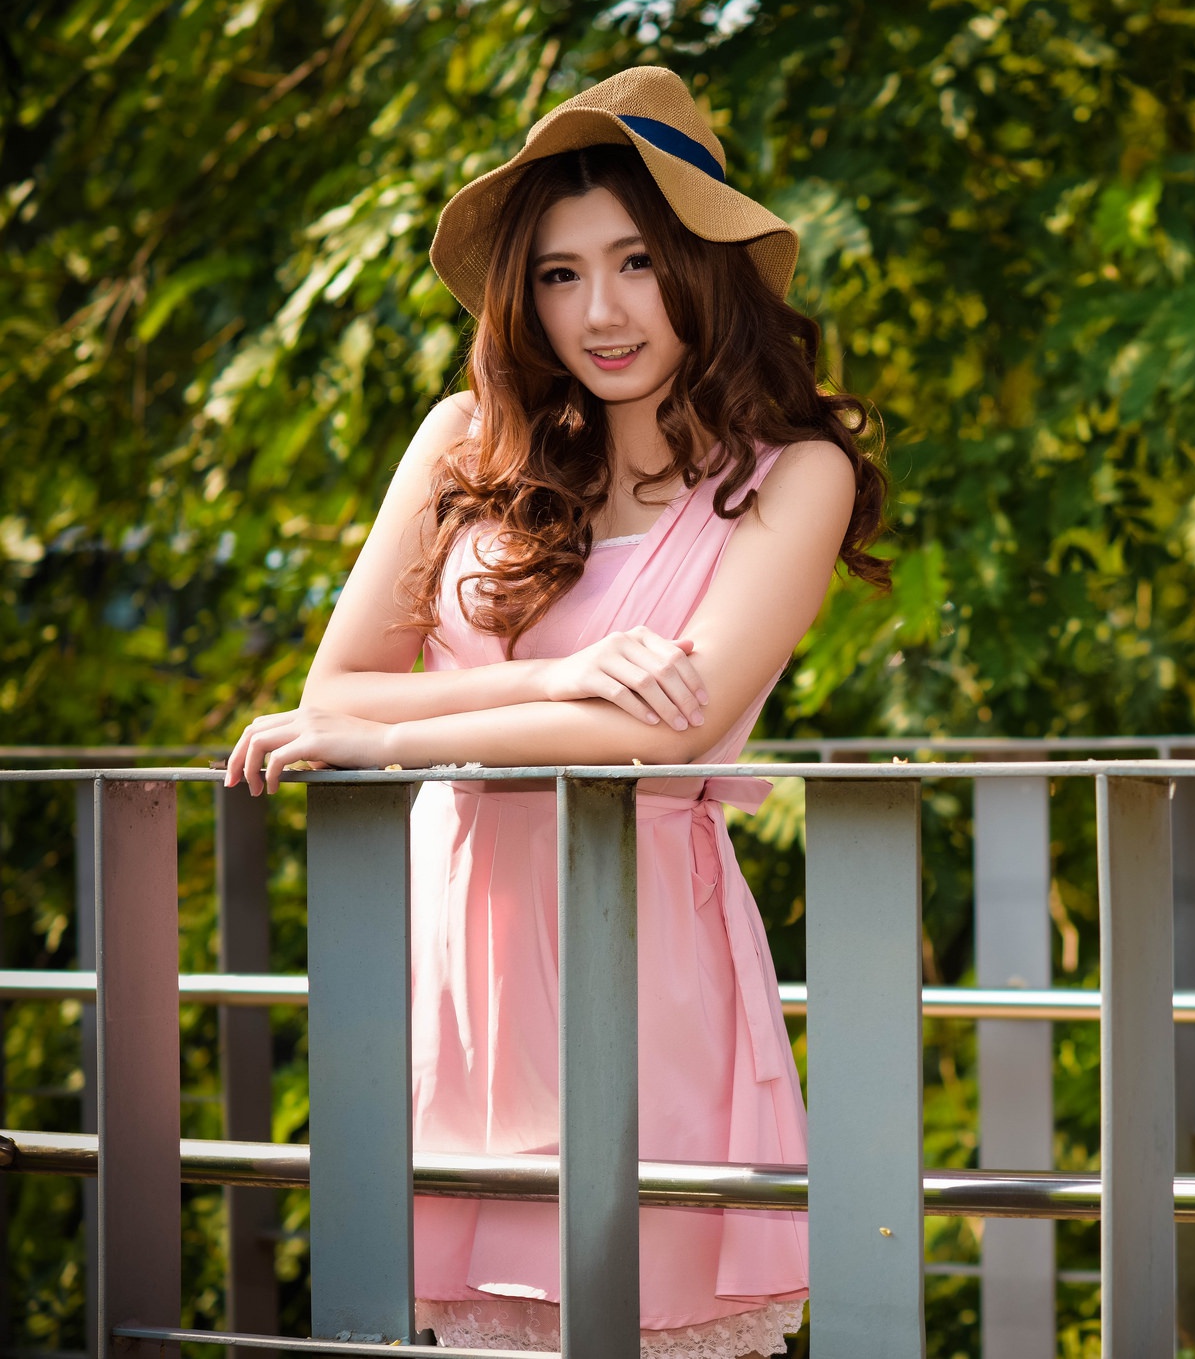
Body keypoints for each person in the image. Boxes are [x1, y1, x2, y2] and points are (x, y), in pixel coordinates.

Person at [223, 66, 887, 1357]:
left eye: (637, 262)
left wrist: (405, 735)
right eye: (559, 274)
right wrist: (548, 675)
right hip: (462, 953)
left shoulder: (797, 475)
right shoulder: (465, 442)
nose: (602, 310)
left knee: (638, 1313)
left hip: (641, 957)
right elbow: (334, 689)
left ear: (704, 266)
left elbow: (671, 729)